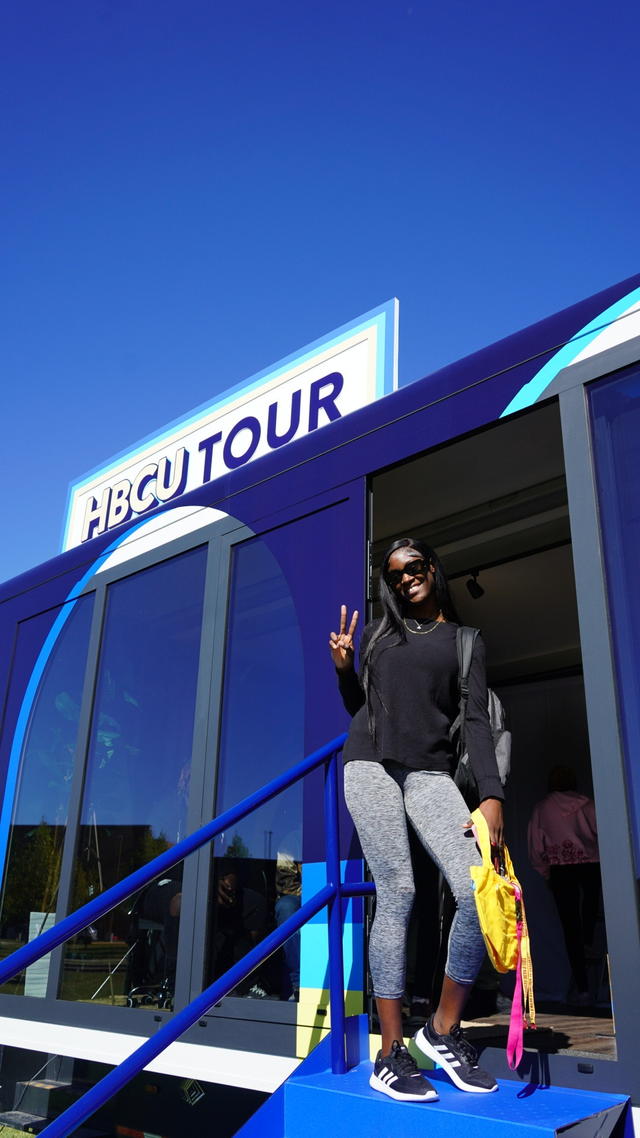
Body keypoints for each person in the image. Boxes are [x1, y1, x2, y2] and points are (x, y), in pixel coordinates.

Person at [330, 538, 504, 1103]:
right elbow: (366, 707)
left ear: (433, 567)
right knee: (398, 891)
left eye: (415, 567)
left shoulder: (466, 642)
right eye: (394, 575)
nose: (406, 579)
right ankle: (389, 1051)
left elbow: (476, 724)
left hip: (429, 775)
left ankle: (442, 1032)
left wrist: (492, 798)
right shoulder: (384, 633)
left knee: (476, 892)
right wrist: (343, 670)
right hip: (370, 765)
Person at [528, 765, 602, 1005]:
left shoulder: (543, 809)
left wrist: (545, 872)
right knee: (589, 915)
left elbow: (535, 846)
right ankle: (589, 946)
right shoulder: (588, 805)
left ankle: (582, 988)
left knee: (570, 927)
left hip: (561, 870)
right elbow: (601, 833)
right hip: (591, 866)